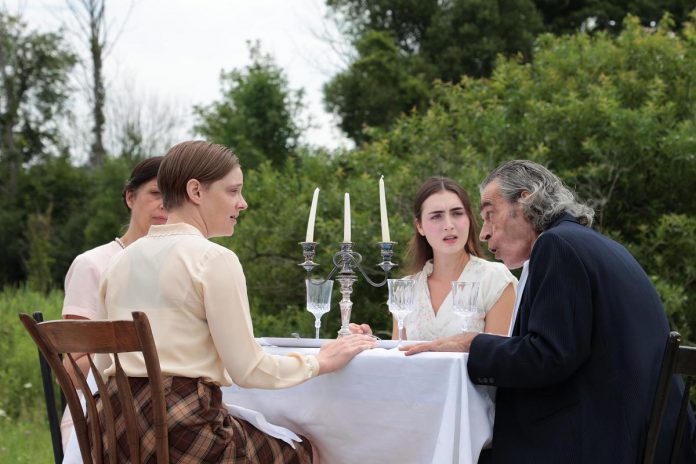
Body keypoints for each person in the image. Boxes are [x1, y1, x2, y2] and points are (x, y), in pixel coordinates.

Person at [93, 140, 375, 463]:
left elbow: (104, 369)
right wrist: (321, 361)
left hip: (111, 435)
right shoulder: (213, 259)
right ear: (196, 191)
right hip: (181, 434)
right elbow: (249, 370)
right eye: (233, 191)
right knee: (302, 450)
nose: (243, 204)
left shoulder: (119, 263)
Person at [404, 160, 696, 463]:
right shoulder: (597, 244)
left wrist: (472, 344)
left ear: (526, 199)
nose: (484, 234)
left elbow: (549, 356)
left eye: (490, 215)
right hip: (650, 437)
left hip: (605, 444)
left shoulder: (556, 245)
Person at [60, 155, 167, 450]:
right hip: (102, 411)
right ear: (131, 197)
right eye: (157, 193)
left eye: (175, 197)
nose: (165, 205)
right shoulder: (93, 264)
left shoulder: (186, 268)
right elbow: (71, 368)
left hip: (170, 407)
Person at [351, 176, 516, 340]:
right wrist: (371, 344)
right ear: (420, 226)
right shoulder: (406, 288)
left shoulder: (495, 280)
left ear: (469, 219)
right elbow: (398, 359)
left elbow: (499, 358)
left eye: (457, 213)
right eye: (436, 216)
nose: (449, 225)